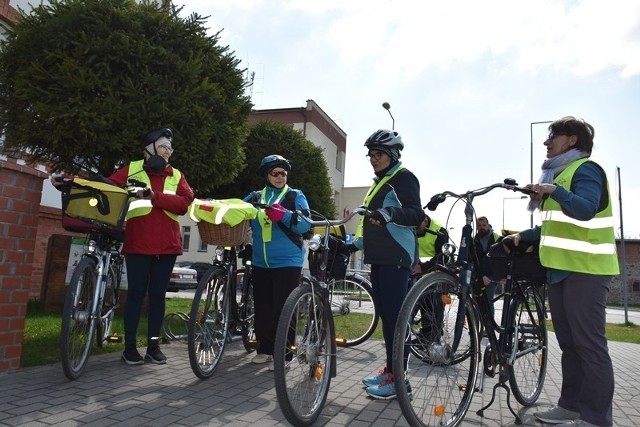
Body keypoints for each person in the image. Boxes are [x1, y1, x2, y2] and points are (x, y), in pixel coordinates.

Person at [507, 117, 618, 427]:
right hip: (560, 272)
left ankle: (596, 419)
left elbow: (584, 209)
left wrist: (554, 191)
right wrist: (523, 236)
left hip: (587, 271)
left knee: (589, 345)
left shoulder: (585, 170)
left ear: (572, 140)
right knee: (570, 346)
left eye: (553, 135)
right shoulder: (560, 173)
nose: (546, 141)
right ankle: (570, 407)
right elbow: (557, 226)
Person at [104, 128, 194, 365]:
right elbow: (108, 187)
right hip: (137, 244)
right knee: (134, 295)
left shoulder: (176, 175)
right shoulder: (131, 169)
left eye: (170, 149)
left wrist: (154, 196)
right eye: (164, 146)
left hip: (167, 246)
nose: (168, 152)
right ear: (149, 149)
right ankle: (130, 348)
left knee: (157, 296)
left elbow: (185, 202)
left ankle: (153, 346)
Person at [352, 129, 425, 399]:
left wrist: (389, 213)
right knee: (387, 317)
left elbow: (416, 214)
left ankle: (399, 380)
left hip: (396, 256)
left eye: (378, 154)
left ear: (393, 154)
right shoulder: (380, 182)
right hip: (379, 256)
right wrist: (355, 243)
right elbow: (368, 221)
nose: (373, 158)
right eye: (370, 154)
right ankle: (391, 370)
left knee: (397, 319)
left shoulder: (403, 178)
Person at [243, 154, 311, 370]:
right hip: (260, 261)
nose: (280, 177)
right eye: (275, 173)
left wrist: (284, 215)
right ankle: (264, 350)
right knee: (263, 306)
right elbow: (237, 210)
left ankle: (284, 353)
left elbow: (306, 225)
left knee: (284, 307)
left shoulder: (294, 195)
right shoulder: (255, 196)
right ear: (267, 175)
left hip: (288, 260)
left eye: (283, 173)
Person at [473, 216, 502, 318]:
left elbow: (501, 260)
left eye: (484, 225)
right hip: (478, 276)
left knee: (488, 301)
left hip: (492, 277)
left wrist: (494, 278)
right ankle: (477, 329)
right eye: (479, 226)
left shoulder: (496, 238)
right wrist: (479, 276)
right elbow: (471, 261)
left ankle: (488, 327)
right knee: (475, 302)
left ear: (488, 224)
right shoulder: (473, 241)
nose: (482, 227)